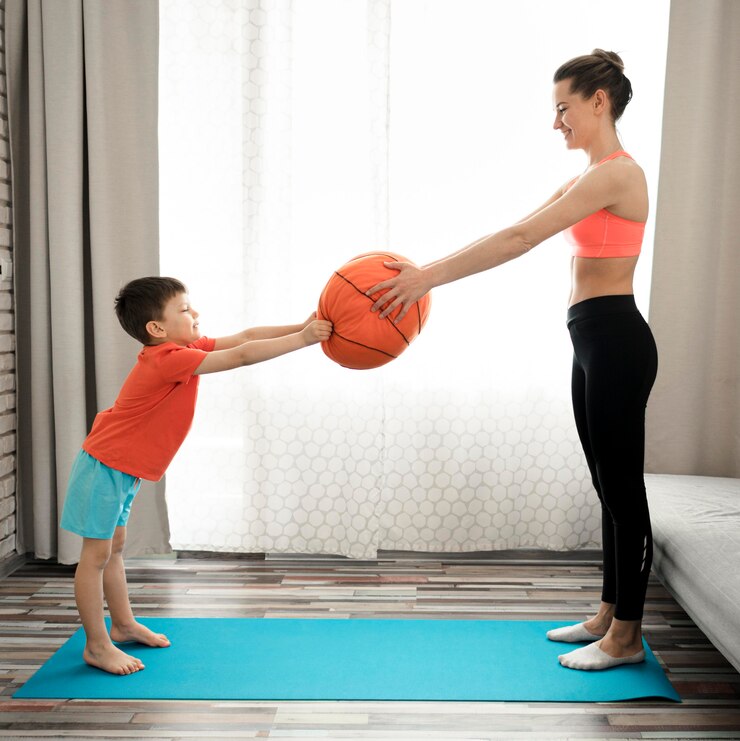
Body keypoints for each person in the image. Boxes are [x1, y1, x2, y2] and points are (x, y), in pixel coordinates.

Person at [368, 50, 658, 671]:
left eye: (563, 107)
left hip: (615, 338)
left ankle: (628, 638)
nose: (556, 121)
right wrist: (430, 268)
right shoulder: (591, 173)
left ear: (598, 102)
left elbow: (521, 242)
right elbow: (517, 225)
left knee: (623, 488)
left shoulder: (617, 174)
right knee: (606, 485)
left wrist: (428, 280)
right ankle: (609, 613)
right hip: (592, 336)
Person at [60, 277, 332, 675]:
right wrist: (306, 339)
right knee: (95, 556)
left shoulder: (182, 347)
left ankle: (121, 624)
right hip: (105, 465)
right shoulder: (168, 358)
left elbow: (246, 336)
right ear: (157, 329)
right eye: (186, 310)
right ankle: (97, 645)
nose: (196, 314)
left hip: (122, 467)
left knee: (114, 550)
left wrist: (301, 325)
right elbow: (241, 356)